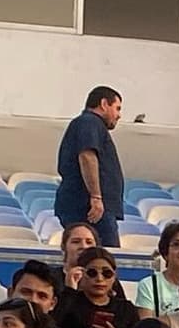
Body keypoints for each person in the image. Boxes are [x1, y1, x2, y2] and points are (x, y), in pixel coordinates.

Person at [52, 84, 126, 250]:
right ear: (104, 104)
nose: (119, 115)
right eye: (117, 108)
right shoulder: (89, 123)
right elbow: (87, 156)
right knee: (104, 255)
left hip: (89, 206)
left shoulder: (89, 124)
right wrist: (96, 197)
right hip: (88, 208)